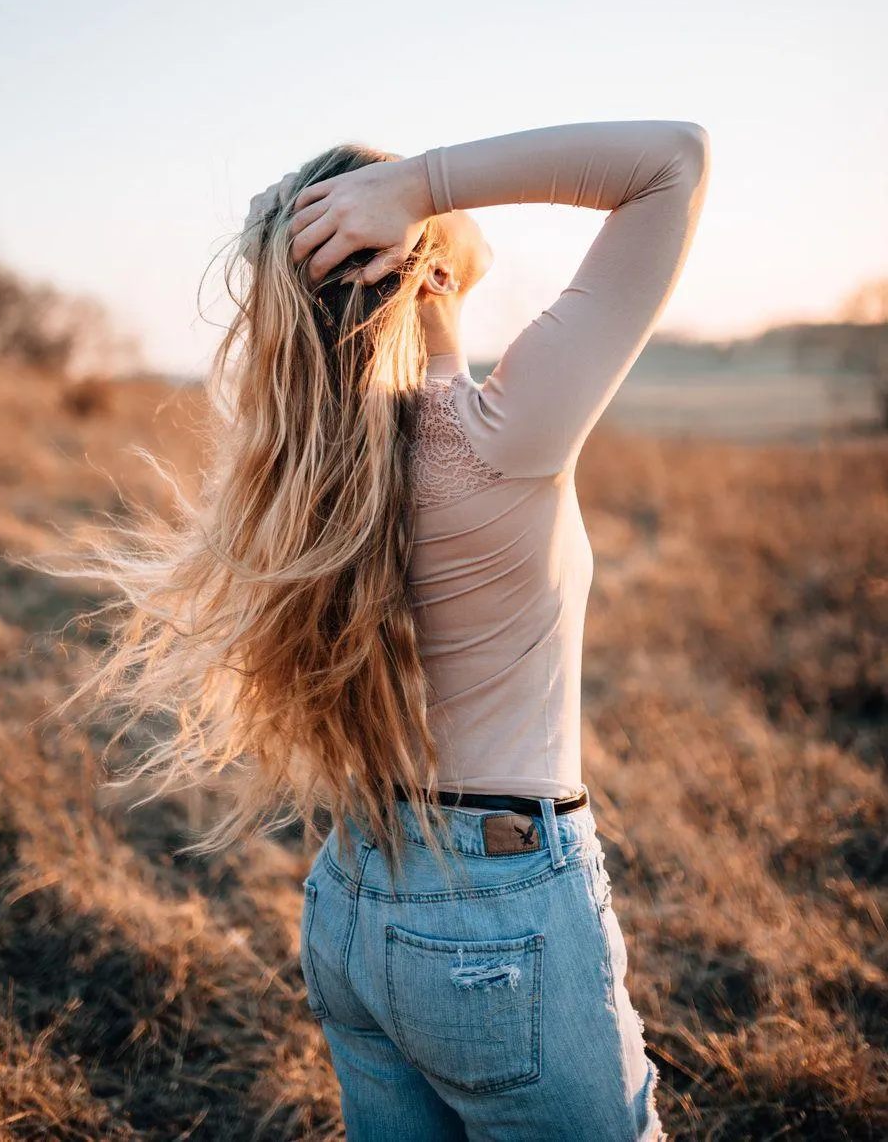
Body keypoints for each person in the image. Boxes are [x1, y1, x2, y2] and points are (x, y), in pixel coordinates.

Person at [65, 118, 709, 1141]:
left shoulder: (313, 475)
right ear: (411, 247)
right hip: (499, 908)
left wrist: (431, 254)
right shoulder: (498, 443)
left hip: (356, 896)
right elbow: (672, 160)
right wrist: (427, 181)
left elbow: (439, 339)